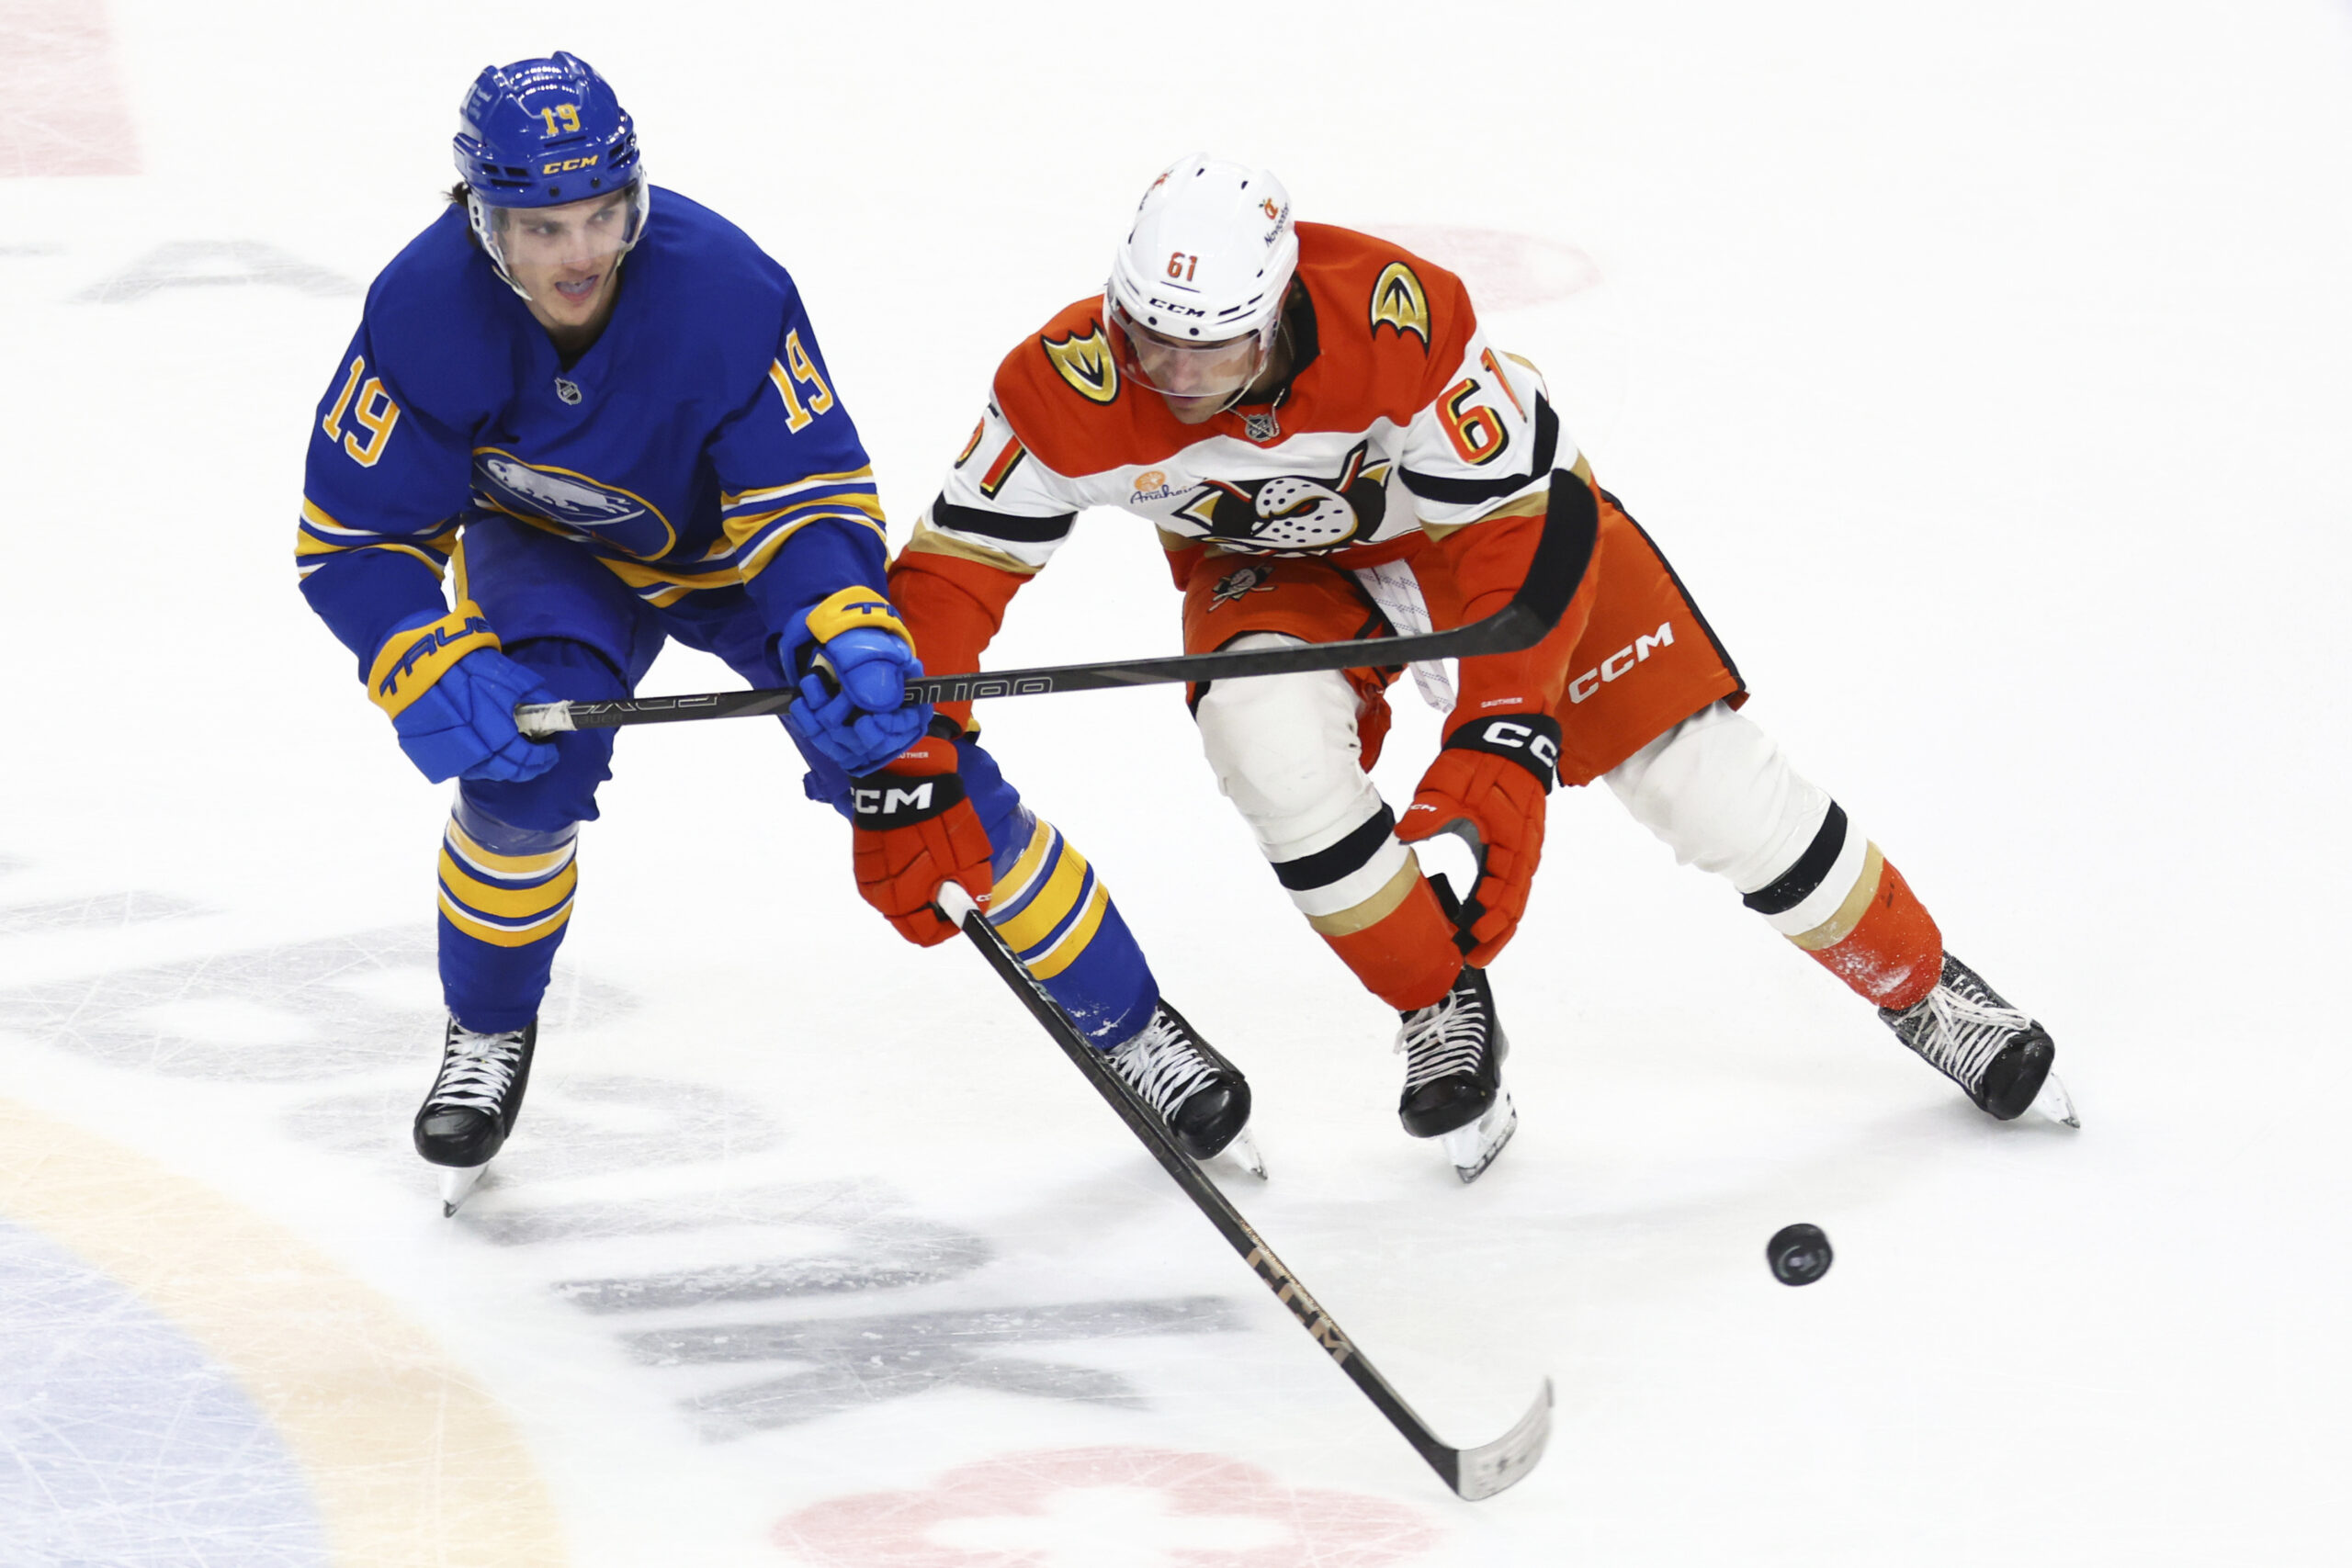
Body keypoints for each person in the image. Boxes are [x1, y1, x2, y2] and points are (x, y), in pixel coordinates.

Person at [868, 152, 2073, 1183]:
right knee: (1266, 745)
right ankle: (1433, 991)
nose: (1174, 379)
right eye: (1147, 341)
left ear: (1280, 305)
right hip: (1281, 569)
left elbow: (1510, 538)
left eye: (1214, 348)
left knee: (1703, 781)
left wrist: (1506, 732)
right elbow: (951, 578)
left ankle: (1924, 984)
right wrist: (905, 732)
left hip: (1491, 537)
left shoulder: (1398, 316)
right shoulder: (1060, 383)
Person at [296, 59, 1250, 1212]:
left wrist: (841, 626)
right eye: (543, 225)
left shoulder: (725, 290)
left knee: (917, 762)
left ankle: (1134, 1026)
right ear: (477, 216)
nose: (582, 251)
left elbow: (802, 496)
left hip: (737, 560)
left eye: (604, 211)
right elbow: (355, 539)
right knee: (522, 783)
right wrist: (417, 653)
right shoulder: (419, 310)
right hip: (549, 553)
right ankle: (486, 1032)